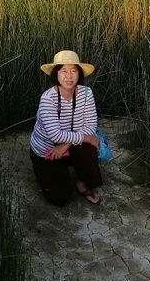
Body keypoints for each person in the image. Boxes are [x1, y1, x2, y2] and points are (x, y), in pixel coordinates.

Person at [29, 50, 103, 206]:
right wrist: (87, 138)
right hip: (48, 151)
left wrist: (67, 144)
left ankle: (82, 184)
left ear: (79, 74)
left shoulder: (86, 93)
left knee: (88, 149)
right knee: (60, 198)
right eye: (64, 71)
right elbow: (55, 135)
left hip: (68, 147)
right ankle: (44, 173)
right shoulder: (48, 98)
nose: (69, 76)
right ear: (56, 74)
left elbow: (90, 126)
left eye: (74, 71)